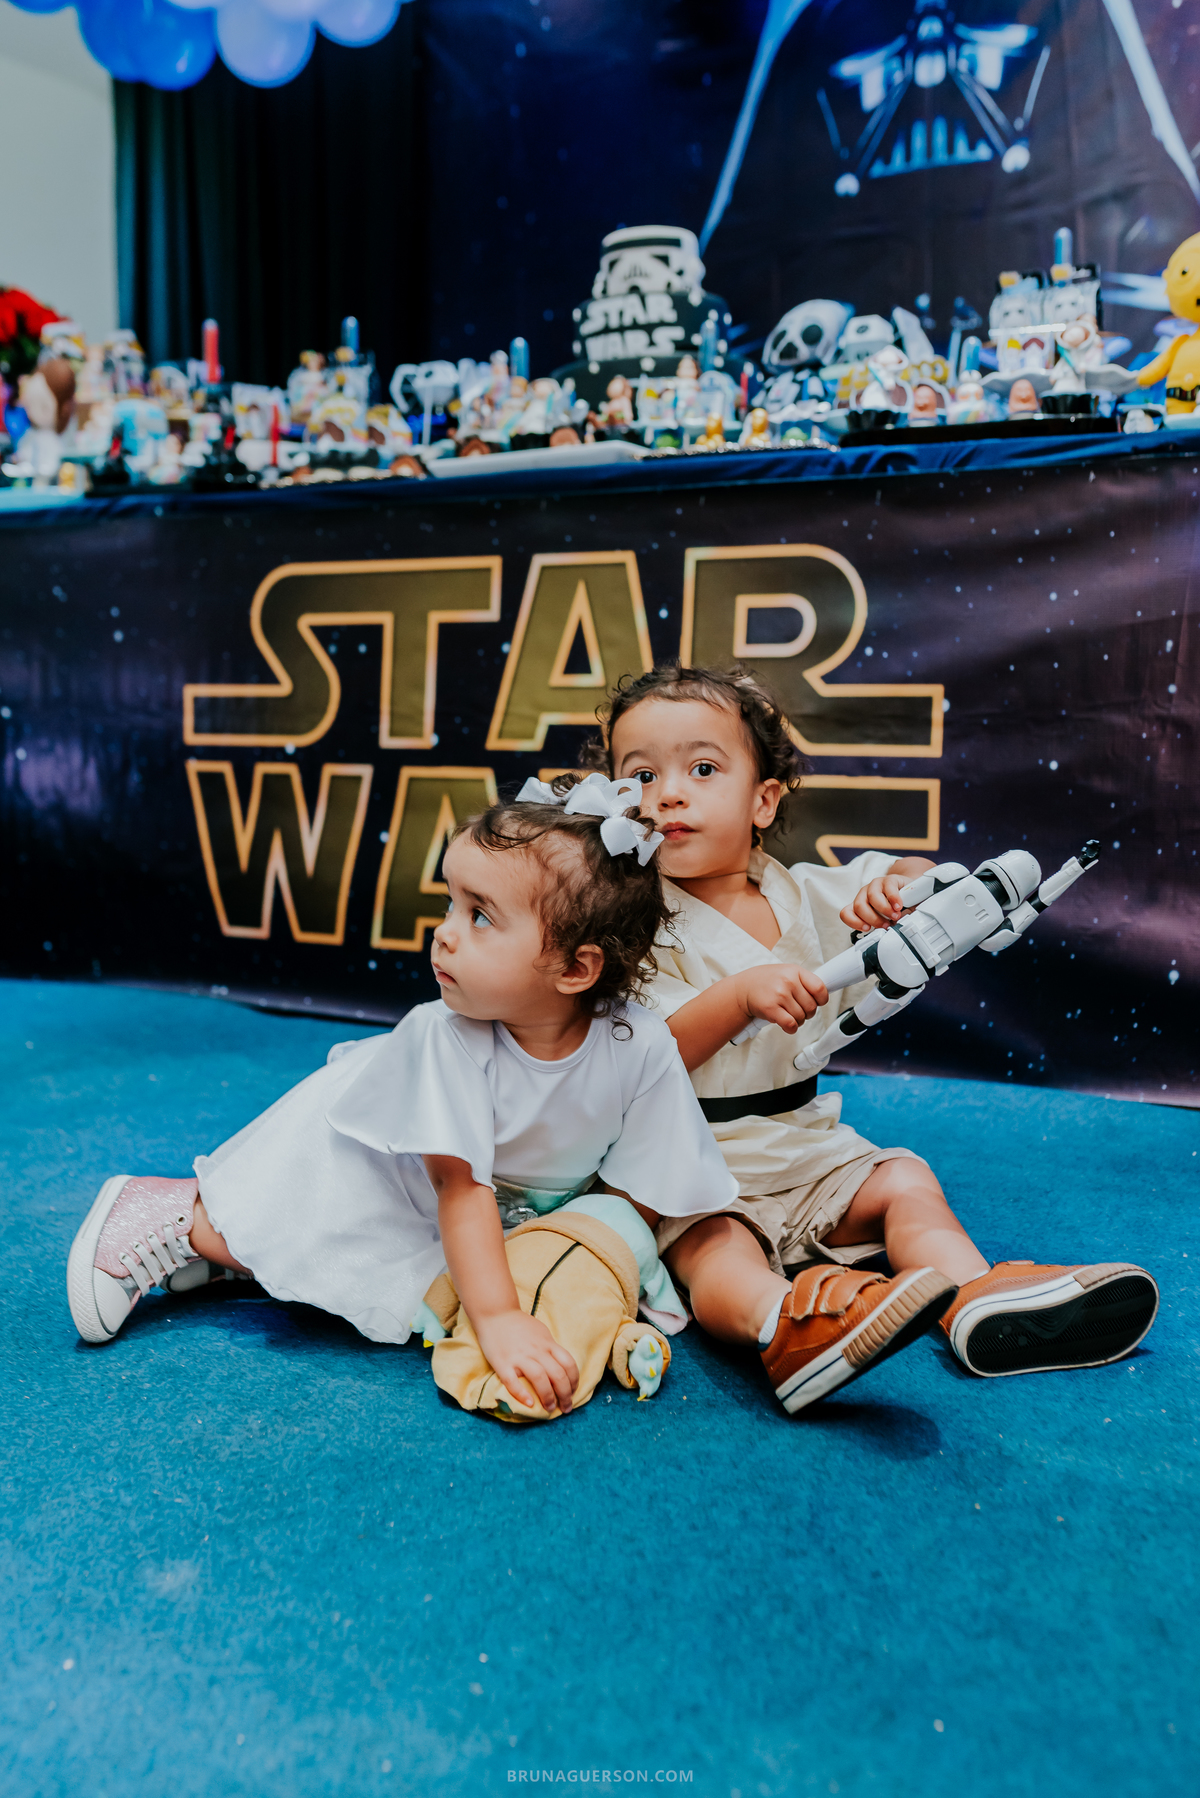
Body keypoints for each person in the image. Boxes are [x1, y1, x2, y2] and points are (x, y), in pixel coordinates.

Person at [582, 664, 1159, 1414]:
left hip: (804, 1147)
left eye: (702, 769)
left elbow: (914, 878)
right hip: (691, 1159)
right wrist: (736, 997)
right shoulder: (628, 925)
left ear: (763, 801)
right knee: (714, 1249)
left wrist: (908, 888)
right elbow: (643, 1057)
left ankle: (975, 1297)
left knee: (903, 1183)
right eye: (641, 775)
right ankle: (784, 1325)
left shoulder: (805, 892)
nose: (668, 794)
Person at [65, 776, 739, 1418]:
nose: (444, 931)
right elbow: (460, 1191)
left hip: (491, 1210)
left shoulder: (640, 1044)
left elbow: (637, 1185)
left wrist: (585, 1263)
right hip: (380, 1167)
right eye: (452, 903)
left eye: (480, 916)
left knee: (422, 1283)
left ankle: (237, 1263)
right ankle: (176, 1217)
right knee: (327, 1247)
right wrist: (500, 1318)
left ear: (575, 968)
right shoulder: (446, 1038)